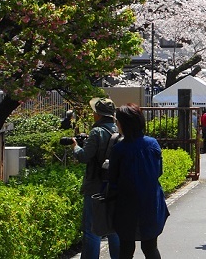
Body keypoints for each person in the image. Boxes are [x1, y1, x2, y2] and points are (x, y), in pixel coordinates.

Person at [108, 104, 169, 259]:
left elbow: (113, 179)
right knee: (150, 247)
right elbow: (159, 171)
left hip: (126, 205)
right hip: (151, 202)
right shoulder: (152, 144)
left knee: (126, 249)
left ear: (123, 124)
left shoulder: (119, 149)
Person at [71, 97, 121, 259]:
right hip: (115, 185)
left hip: (95, 185)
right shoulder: (119, 130)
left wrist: (76, 147)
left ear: (98, 115)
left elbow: (85, 157)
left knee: (92, 229)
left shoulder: (97, 132)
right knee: (114, 227)